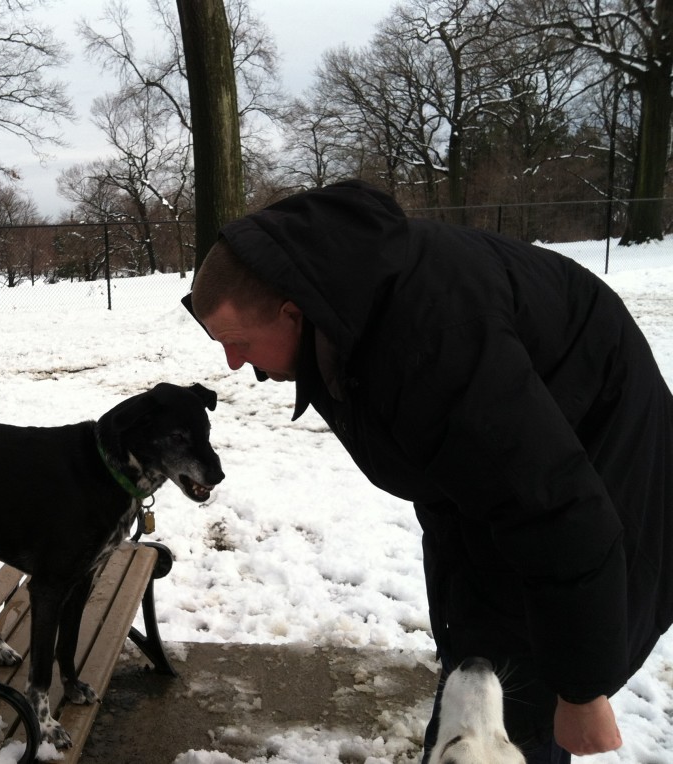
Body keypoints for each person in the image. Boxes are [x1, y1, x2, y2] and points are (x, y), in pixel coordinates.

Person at [183, 180, 673, 762]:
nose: (233, 363)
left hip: (603, 486)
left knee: (519, 718)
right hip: (507, 507)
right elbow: (459, 474)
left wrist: (582, 688)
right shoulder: (345, 313)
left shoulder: (432, 344)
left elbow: (555, 506)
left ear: (293, 312)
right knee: (474, 687)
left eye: (237, 342)